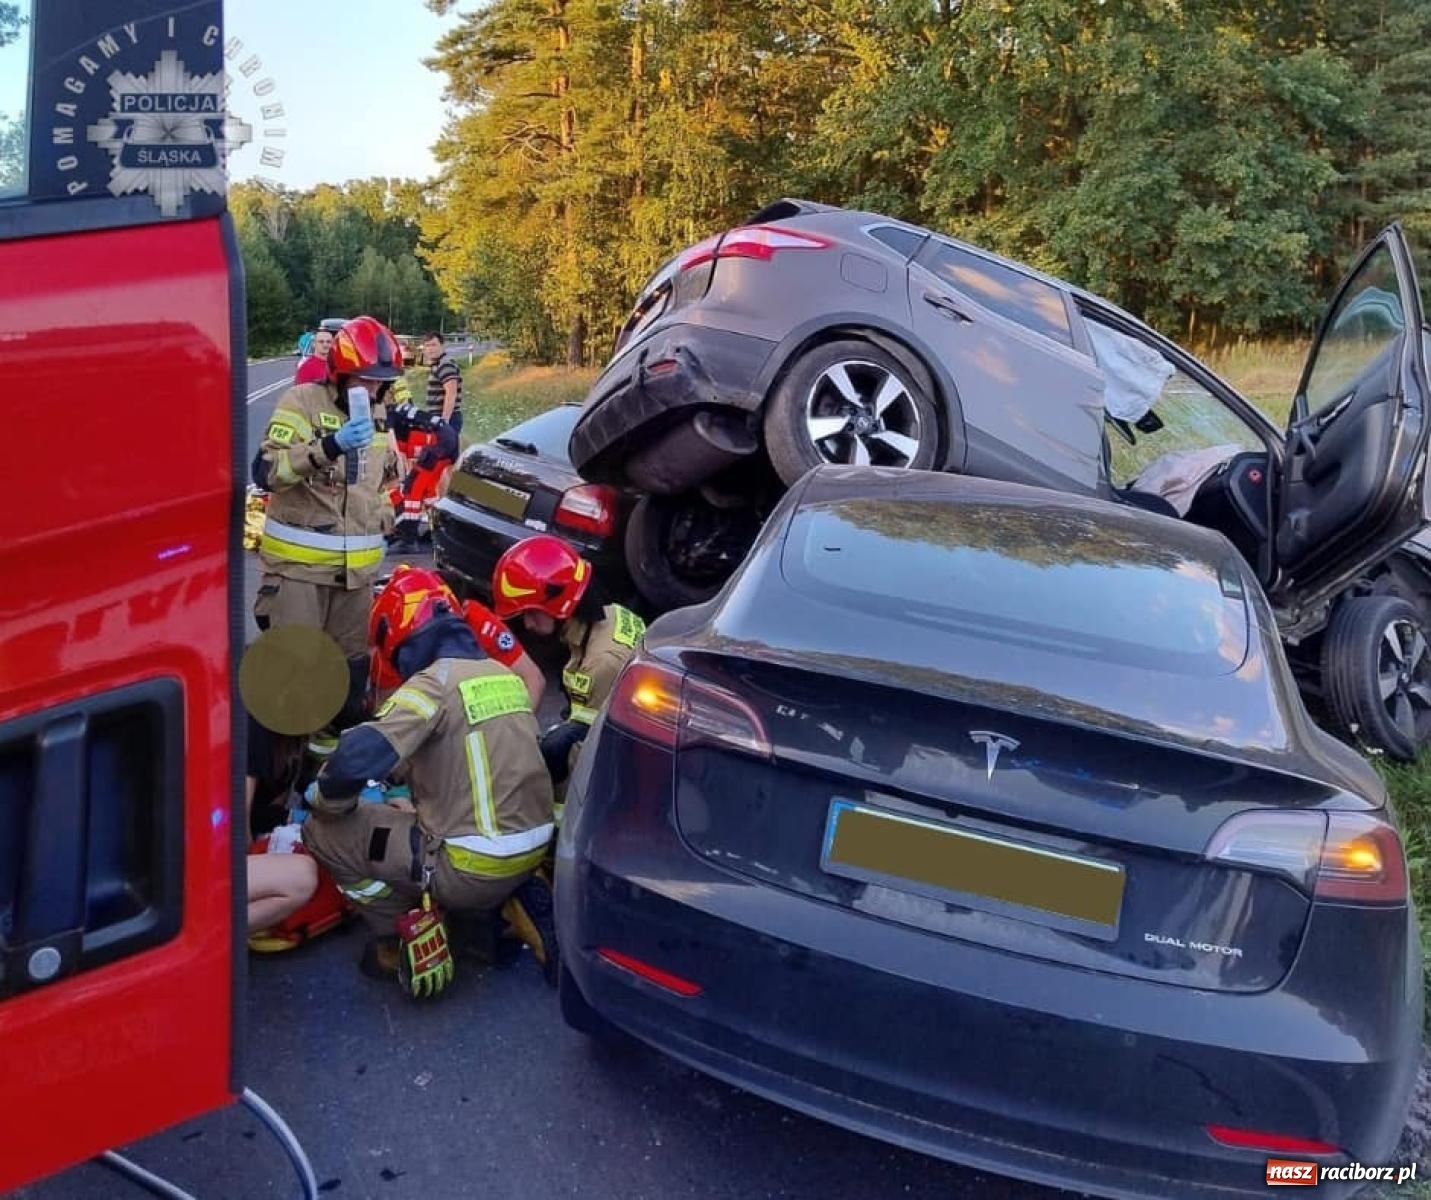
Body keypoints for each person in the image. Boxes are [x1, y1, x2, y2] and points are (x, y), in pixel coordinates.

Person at [300, 565, 558, 993]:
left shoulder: (433, 683)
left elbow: (355, 760)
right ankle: (503, 900)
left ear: (398, 635)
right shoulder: (500, 676)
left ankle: (394, 936)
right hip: (531, 848)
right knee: (407, 817)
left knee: (322, 831)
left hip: (469, 869)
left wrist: (326, 800)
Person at [247, 315, 403, 809]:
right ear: (339, 373)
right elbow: (267, 470)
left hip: (356, 580)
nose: (375, 390)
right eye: (367, 381)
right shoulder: (301, 403)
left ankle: (319, 792)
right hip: (298, 576)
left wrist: (386, 513)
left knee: (347, 692)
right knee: (293, 693)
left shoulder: (381, 416)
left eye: (382, 383)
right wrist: (327, 447)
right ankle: (266, 804)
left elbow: (383, 486)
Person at [491, 536, 645, 797]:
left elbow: (591, 756)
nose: (527, 624)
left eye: (531, 613)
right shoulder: (609, 615)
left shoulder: (601, 663)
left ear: (557, 601)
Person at [422, 331, 463, 432]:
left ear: (442, 346)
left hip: (447, 417)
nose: (430, 349)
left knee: (444, 447)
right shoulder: (437, 364)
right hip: (437, 416)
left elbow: (451, 393)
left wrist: (444, 421)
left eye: (434, 345)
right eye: (427, 346)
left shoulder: (445, 365)